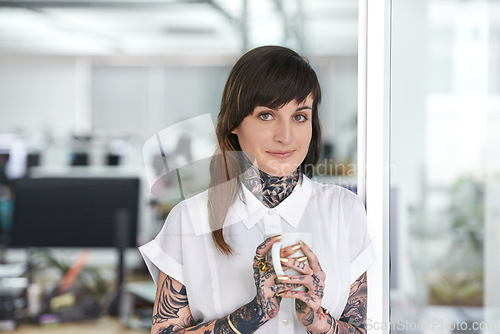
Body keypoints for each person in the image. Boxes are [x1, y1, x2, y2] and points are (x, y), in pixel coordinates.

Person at [139, 45, 375, 334]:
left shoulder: (344, 210)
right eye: (266, 115)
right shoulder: (189, 219)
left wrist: (318, 319)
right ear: (234, 123)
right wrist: (252, 314)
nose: (285, 136)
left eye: (300, 116)